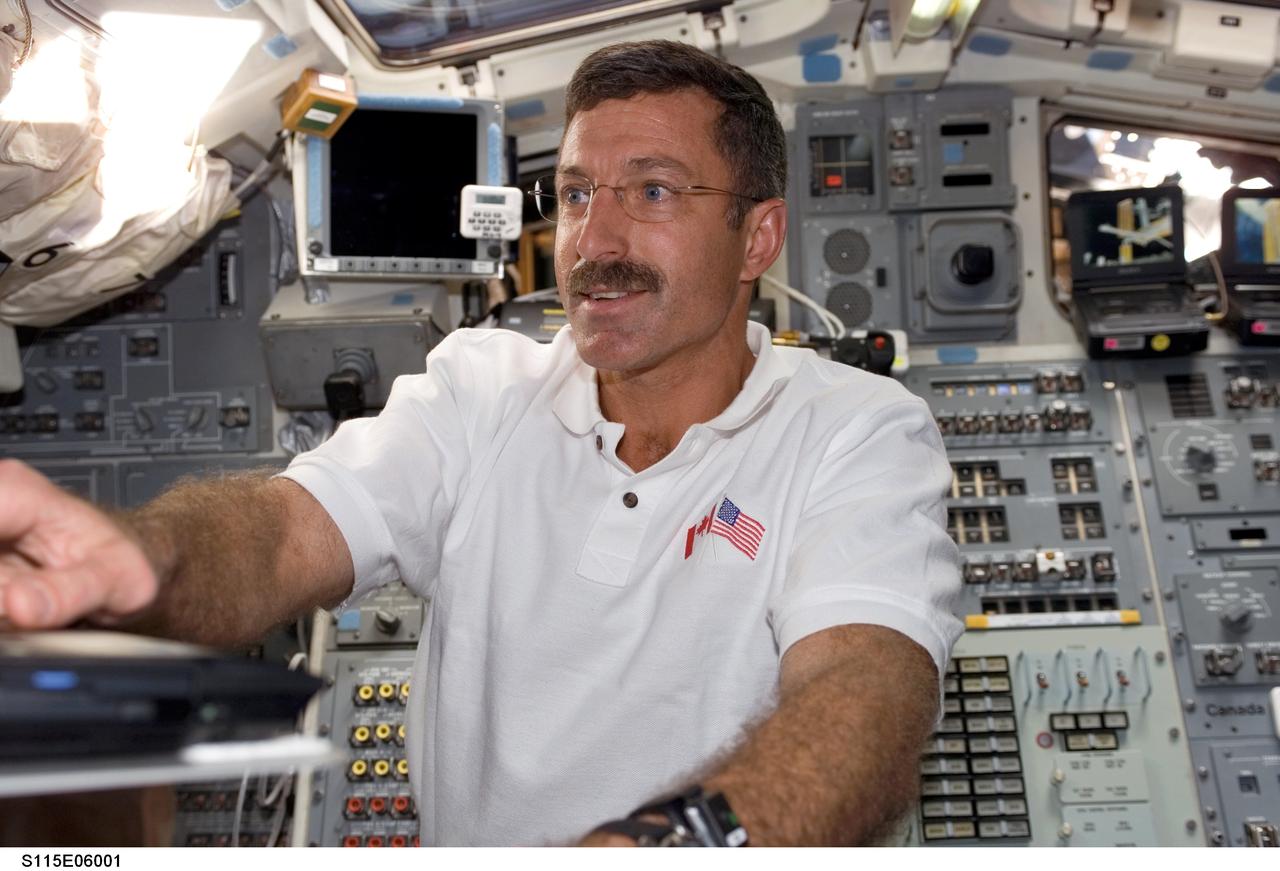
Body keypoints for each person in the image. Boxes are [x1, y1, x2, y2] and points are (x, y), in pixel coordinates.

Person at [0, 40, 961, 846]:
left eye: (654, 192)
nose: (596, 239)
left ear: (758, 238)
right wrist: (144, 558)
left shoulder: (857, 428)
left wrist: (675, 841)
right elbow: (287, 530)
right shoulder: (479, 385)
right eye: (578, 193)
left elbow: (863, 686)